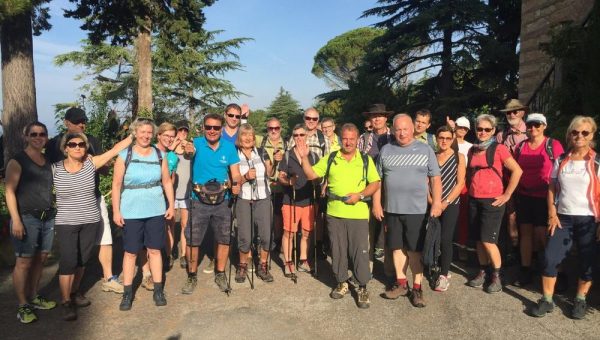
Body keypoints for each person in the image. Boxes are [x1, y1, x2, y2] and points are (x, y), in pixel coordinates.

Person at [297, 123, 381, 309]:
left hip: (358, 214)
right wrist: (304, 158)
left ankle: (362, 287)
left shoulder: (365, 160)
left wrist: (360, 195)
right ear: (340, 138)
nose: (348, 142)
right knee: (338, 249)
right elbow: (312, 175)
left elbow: (375, 183)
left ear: (358, 140)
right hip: (335, 213)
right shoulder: (332, 157)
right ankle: (342, 282)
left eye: (352, 139)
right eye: (345, 138)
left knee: (360, 251)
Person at [54, 132, 132, 320]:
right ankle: (65, 301)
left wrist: (133, 136)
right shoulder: (54, 169)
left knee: (82, 259)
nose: (78, 147)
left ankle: (75, 292)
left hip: (90, 220)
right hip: (66, 222)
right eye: (72, 145)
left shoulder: (91, 163)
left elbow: (114, 151)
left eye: (81, 144)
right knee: (68, 261)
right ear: (65, 148)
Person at [46, 107, 123, 294]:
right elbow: (47, 171)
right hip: (68, 204)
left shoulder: (92, 141)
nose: (82, 124)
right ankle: (67, 286)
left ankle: (108, 277)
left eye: (83, 121)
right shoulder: (54, 144)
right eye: (77, 121)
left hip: (93, 197)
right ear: (66, 122)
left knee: (105, 237)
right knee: (71, 251)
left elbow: (103, 167)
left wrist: (98, 164)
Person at [530, 116, 598, 320]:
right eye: (575, 132)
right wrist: (552, 212)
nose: (579, 136)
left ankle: (580, 300)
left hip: (589, 220)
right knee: (550, 258)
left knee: (587, 262)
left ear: (592, 135)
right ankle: (547, 300)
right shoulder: (561, 159)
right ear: (569, 134)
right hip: (563, 218)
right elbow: (552, 186)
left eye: (585, 132)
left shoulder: (597, 161)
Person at [373, 114, 442, 308]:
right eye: (398, 129)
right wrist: (376, 204)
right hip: (392, 210)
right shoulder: (386, 150)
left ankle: (417, 288)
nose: (401, 133)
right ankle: (401, 283)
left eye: (405, 129)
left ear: (412, 129)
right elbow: (377, 180)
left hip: (416, 210)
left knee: (414, 251)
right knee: (396, 248)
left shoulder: (425, 149)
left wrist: (436, 202)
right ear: (392, 130)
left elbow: (435, 178)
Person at [112, 118, 175, 311]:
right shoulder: (125, 155)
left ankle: (158, 290)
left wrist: (171, 205)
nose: (146, 136)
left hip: (155, 209)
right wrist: (116, 211)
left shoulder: (159, 155)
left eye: (149, 132)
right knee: (130, 252)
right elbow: (116, 185)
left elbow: (166, 182)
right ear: (135, 133)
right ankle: (127, 293)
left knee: (155, 250)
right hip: (131, 210)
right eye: (142, 132)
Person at [180, 113, 241, 294]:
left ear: (221, 129)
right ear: (203, 128)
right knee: (192, 240)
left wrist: (236, 183)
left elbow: (235, 172)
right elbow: (188, 152)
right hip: (199, 200)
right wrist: (188, 151)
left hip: (223, 200)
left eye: (215, 127)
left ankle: (220, 273)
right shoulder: (197, 143)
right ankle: (191, 276)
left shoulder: (229, 147)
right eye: (208, 127)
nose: (212, 131)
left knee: (224, 238)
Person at [5, 122, 56, 323]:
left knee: (41, 259)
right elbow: (9, 191)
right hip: (26, 218)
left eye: (42, 134)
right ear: (26, 136)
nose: (38, 137)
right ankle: (22, 305)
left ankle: (34, 296)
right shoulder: (17, 161)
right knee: (24, 262)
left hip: (47, 218)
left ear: (46, 137)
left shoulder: (47, 161)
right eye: (33, 134)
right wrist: (16, 220)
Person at [465, 114, 522, 294]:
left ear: (493, 131)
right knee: (478, 240)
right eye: (479, 129)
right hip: (475, 198)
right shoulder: (473, 149)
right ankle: (483, 271)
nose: (482, 132)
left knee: (488, 240)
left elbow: (517, 171)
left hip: (493, 200)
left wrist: (507, 194)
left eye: (487, 129)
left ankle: (497, 275)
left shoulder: (499, 149)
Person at [513, 113, 564, 287]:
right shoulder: (520, 147)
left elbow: (561, 171)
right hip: (524, 195)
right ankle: (526, 270)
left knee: (544, 235)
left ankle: (552, 270)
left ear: (544, 126)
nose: (533, 128)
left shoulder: (553, 145)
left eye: (537, 125)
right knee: (525, 233)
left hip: (545, 197)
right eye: (530, 125)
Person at [287, 108, 330, 259]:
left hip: (316, 183)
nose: (311, 121)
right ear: (304, 118)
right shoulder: (296, 135)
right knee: (298, 216)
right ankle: (296, 249)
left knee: (316, 216)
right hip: (298, 183)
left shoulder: (323, 139)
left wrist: (325, 185)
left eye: (314, 119)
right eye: (308, 118)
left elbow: (328, 162)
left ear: (318, 120)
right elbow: (289, 158)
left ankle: (316, 246)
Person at [235, 124, 275, 283]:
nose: (247, 138)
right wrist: (245, 177)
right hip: (244, 198)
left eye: (250, 135)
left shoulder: (261, 151)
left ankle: (263, 265)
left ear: (254, 138)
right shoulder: (234, 154)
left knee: (266, 234)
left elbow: (270, 173)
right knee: (245, 235)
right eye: (244, 135)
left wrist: (274, 163)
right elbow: (232, 179)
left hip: (263, 197)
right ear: (239, 137)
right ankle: (243, 265)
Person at [278, 124, 318, 277]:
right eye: (296, 135)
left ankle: (303, 260)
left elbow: (317, 176)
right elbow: (280, 176)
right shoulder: (288, 155)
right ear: (293, 137)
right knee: (289, 232)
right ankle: (288, 262)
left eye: (302, 135)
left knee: (306, 233)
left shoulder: (313, 155)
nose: (299, 138)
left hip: (308, 200)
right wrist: (288, 182)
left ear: (307, 135)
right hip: (291, 200)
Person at [357, 104, 394, 266]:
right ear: (370, 119)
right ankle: (366, 268)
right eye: (374, 116)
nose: (377, 118)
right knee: (366, 231)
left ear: (386, 118)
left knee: (390, 231)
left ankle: (390, 271)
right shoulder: (363, 140)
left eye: (380, 115)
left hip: (391, 190)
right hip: (369, 189)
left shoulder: (395, 137)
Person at [431, 126, 466, 291]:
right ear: (436, 139)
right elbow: (425, 180)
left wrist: (445, 202)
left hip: (450, 203)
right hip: (432, 202)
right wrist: (432, 201)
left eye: (447, 138)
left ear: (452, 140)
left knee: (445, 239)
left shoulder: (459, 158)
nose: (444, 141)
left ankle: (444, 274)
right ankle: (434, 265)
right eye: (441, 137)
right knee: (432, 237)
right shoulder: (432, 156)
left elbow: (460, 183)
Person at [496, 99, 529, 254]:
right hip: (508, 182)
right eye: (509, 112)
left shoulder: (532, 130)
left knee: (528, 220)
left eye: (515, 111)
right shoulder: (501, 136)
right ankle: (514, 252)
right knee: (511, 217)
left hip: (529, 183)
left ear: (522, 112)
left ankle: (531, 255)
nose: (512, 114)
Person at [255, 118, 286, 253]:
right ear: (267, 129)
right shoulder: (259, 141)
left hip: (281, 185)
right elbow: (242, 133)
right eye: (270, 128)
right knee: (262, 216)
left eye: (276, 128)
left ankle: (277, 241)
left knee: (279, 215)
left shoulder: (287, 143)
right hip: (263, 185)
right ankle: (260, 241)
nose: (273, 131)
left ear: (281, 129)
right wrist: (243, 117)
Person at [170, 121, 194, 270]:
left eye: (185, 131)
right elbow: (164, 159)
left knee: (185, 224)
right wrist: (173, 147)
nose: (183, 134)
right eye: (180, 131)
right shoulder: (170, 150)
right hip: (171, 193)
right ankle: (170, 251)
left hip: (186, 192)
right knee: (170, 224)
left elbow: (195, 157)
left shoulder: (189, 149)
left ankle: (184, 253)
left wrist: (188, 149)